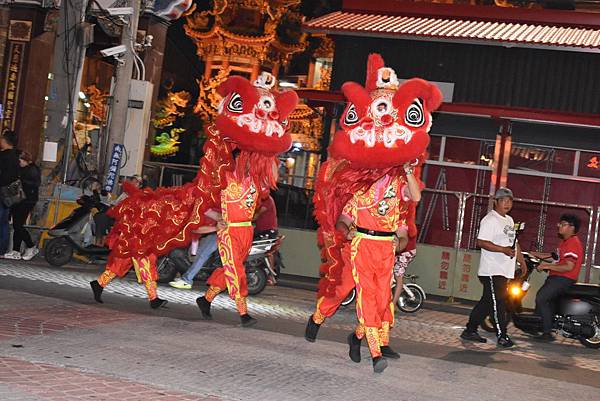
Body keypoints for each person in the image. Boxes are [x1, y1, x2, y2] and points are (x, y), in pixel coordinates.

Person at [461, 187, 526, 348]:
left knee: (487, 302)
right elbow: (481, 242)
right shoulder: (489, 220)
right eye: (503, 200)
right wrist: (502, 249)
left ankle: (470, 330)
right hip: (491, 269)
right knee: (499, 302)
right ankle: (502, 335)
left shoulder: (510, 221)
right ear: (496, 201)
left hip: (504, 269)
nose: (507, 203)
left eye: (510, 201)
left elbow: (514, 244)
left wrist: (522, 261)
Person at [530, 214, 583, 342]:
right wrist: (534, 254)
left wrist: (546, 266)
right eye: (560, 223)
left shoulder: (572, 243)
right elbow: (555, 257)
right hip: (558, 278)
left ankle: (547, 333)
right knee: (546, 300)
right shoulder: (565, 242)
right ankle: (539, 326)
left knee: (542, 298)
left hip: (563, 279)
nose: (559, 226)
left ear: (572, 228)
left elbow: (568, 266)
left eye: (563, 224)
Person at [4, 151, 41, 260]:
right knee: (17, 225)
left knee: (18, 225)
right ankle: (16, 250)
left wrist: (21, 180)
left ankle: (31, 246)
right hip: (20, 200)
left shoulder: (32, 169)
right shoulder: (23, 169)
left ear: (25, 160)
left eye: (20, 161)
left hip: (27, 200)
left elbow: (35, 183)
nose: (19, 163)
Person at [169, 215, 219, 290]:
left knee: (202, 254)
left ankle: (187, 280)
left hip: (221, 233)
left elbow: (196, 228)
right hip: (220, 232)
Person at [94, 175, 143, 246]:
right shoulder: (124, 193)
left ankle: (103, 240)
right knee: (99, 216)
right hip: (115, 214)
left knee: (103, 217)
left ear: (140, 185)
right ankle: (98, 241)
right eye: (132, 181)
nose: (133, 183)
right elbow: (115, 203)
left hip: (125, 219)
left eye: (136, 182)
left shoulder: (138, 196)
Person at [0, 131, 20, 256]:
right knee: (4, 222)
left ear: (5, 141)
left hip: (1, 192)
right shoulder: (16, 156)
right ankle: (2, 248)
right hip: (9, 194)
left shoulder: (3, 157)